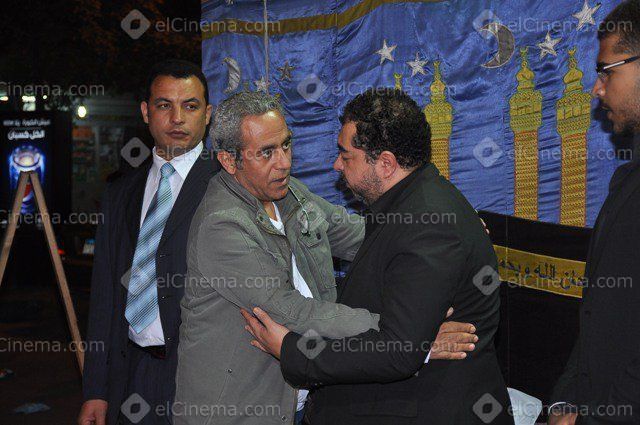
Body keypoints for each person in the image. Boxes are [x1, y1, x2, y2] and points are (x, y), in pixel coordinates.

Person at [174, 92, 478, 425]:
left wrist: (438, 225)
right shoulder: (221, 224)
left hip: (299, 399)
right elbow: (290, 311)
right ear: (229, 161)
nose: (284, 162)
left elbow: (362, 236)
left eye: (286, 145)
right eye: (267, 152)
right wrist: (403, 336)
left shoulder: (289, 193)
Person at [244, 88, 513, 425]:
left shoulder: (427, 223)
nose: (336, 165)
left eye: (346, 156)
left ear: (385, 164)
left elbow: (398, 352)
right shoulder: (411, 204)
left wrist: (292, 349)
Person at [78, 59, 219, 425]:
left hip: (203, 381)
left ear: (208, 115)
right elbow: (105, 295)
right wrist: (95, 389)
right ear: (145, 112)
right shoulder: (120, 192)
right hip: (131, 375)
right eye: (164, 105)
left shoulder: (227, 187)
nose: (177, 118)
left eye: (190, 106)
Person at [548, 2, 640, 424]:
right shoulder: (626, 181)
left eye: (607, 72)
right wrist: (565, 402)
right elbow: (598, 313)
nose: (597, 89)